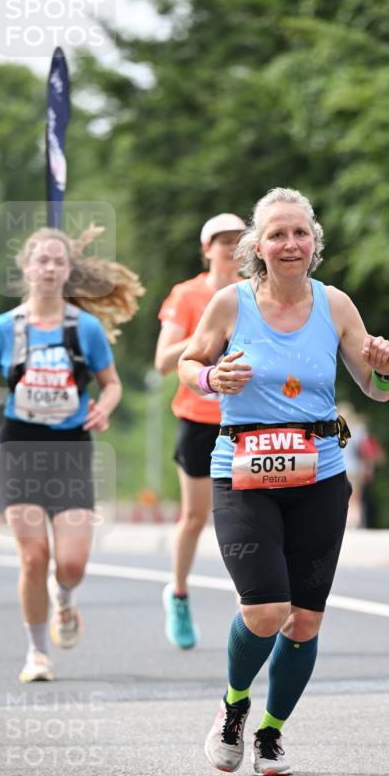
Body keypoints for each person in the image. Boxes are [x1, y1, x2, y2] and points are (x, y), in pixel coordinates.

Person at [178, 187, 389, 776]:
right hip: (242, 472)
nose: (290, 244)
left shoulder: (336, 306)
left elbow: (376, 388)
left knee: (304, 620)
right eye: (277, 234)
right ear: (259, 246)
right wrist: (210, 378)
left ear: (314, 243)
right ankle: (233, 707)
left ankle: (271, 734)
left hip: (320, 475)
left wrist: (387, 368)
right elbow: (187, 361)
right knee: (265, 610)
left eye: (300, 233)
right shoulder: (230, 303)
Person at [0, 226, 143, 683]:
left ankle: (63, 598)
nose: (48, 268)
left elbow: (112, 383)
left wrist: (103, 408)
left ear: (68, 272)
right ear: (25, 268)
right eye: (40, 260)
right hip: (20, 446)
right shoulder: (3, 328)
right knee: (32, 557)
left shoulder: (85, 329)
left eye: (57, 262)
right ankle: (37, 653)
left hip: (70, 451)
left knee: (71, 563)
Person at [154, 213, 245, 648]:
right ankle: (179, 594)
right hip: (197, 417)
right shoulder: (187, 295)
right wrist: (203, 338)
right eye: (221, 240)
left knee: (244, 517)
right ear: (206, 249)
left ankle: (248, 608)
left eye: (237, 240)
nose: (230, 247)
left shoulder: (252, 293)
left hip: (243, 420)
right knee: (195, 516)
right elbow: (162, 360)